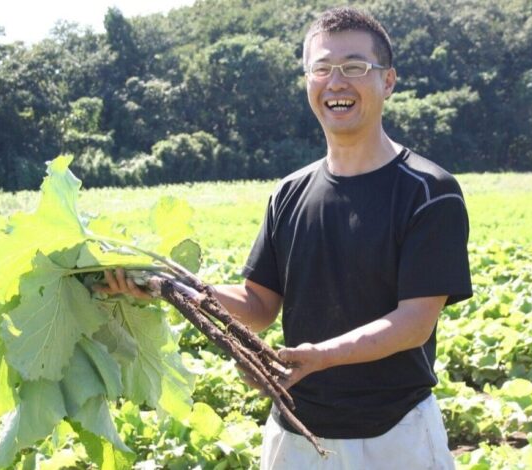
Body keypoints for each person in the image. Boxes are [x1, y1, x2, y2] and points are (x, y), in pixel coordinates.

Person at [97, 6, 472, 469]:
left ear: (388, 81)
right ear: (307, 81)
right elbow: (258, 306)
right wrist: (173, 288)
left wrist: (323, 356)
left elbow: (415, 321)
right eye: (321, 68)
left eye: (355, 67)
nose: (336, 81)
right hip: (294, 434)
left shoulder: (428, 191)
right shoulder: (289, 194)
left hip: (396, 435)